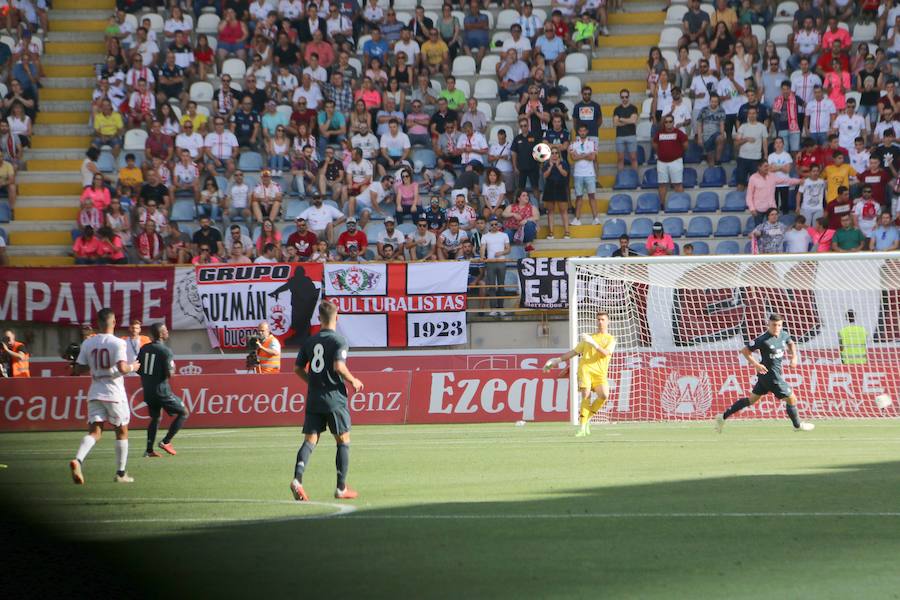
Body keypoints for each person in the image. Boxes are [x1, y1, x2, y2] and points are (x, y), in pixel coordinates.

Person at [290, 300, 364, 502]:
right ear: (336, 317)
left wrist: (313, 382)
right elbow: (339, 366)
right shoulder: (339, 340)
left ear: (319, 319)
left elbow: (297, 369)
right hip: (334, 399)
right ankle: (341, 488)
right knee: (343, 441)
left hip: (314, 398)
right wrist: (353, 380)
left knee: (310, 441)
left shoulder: (310, 341)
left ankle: (297, 479)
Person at [69, 308, 141, 485]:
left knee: (95, 432)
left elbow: (78, 370)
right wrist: (134, 367)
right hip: (113, 392)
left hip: (95, 391)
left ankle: (78, 460)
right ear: (114, 322)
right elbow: (123, 368)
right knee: (121, 431)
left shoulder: (88, 343)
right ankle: (121, 473)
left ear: (98, 323)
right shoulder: (118, 343)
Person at [715, 313, 815, 433]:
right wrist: (756, 364)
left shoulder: (783, 335)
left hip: (766, 376)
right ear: (768, 324)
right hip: (770, 376)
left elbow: (791, 343)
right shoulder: (763, 339)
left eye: (779, 325)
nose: (776, 327)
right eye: (773, 325)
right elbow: (745, 351)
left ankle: (722, 417)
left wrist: (794, 357)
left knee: (751, 400)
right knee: (792, 399)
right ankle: (797, 426)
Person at [543, 311, 616, 438]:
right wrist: (557, 360)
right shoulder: (588, 338)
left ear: (608, 321)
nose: (600, 322)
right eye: (598, 319)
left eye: (603, 319)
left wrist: (593, 343)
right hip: (585, 370)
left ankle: (587, 419)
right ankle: (582, 428)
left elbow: (605, 353)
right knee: (585, 398)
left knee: (604, 396)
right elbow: (573, 352)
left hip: (600, 373)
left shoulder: (611, 339)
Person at [137, 323, 188, 457]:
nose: (167, 332)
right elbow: (170, 374)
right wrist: (172, 368)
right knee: (183, 412)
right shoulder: (165, 351)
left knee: (155, 418)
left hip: (148, 391)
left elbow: (138, 368)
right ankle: (166, 441)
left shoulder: (144, 348)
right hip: (161, 391)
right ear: (160, 334)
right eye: (165, 330)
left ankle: (149, 450)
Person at [652, 115, 688, 207]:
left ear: (673, 122)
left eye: (670, 121)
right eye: (666, 122)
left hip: (676, 161)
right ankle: (662, 205)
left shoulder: (679, 133)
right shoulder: (659, 134)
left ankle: (680, 205)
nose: (668, 123)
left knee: (678, 184)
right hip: (661, 162)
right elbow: (655, 144)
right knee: (662, 184)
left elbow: (685, 145)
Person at [481, 217, 510, 317]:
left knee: (501, 286)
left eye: (496, 224)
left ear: (499, 225)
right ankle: (493, 308)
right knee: (492, 286)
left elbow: (508, 249)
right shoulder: (485, 236)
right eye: (492, 224)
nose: (494, 226)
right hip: (490, 262)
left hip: (501, 261)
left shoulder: (504, 235)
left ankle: (501, 308)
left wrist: (501, 252)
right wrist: (482, 257)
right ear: (489, 225)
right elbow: (482, 248)